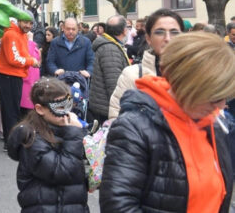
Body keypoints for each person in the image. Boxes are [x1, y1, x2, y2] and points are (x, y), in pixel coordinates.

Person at [100, 32, 235, 212]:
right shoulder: (135, 128)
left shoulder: (213, 123)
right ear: (189, 86)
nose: (221, 105)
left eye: (224, 97)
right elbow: (119, 206)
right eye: (214, 96)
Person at [7, 78, 89, 213]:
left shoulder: (64, 129)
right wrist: (75, 133)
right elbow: (61, 171)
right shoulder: (31, 139)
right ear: (40, 109)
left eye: (68, 105)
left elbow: (75, 167)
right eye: (59, 107)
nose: (66, 112)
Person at [108, 9, 184, 119]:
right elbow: (116, 119)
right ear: (148, 38)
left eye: (174, 32)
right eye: (160, 32)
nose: (167, 38)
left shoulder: (196, 74)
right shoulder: (132, 75)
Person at [0, 12, 40, 150]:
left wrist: (29, 60)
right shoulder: (12, 34)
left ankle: (11, 142)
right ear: (19, 20)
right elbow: (14, 59)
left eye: (31, 23)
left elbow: (22, 54)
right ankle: (11, 144)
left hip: (14, 75)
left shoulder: (21, 34)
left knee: (12, 110)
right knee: (10, 111)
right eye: (26, 22)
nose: (28, 25)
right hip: (9, 76)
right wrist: (31, 61)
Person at [89, 15, 130, 124]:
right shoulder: (110, 49)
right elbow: (114, 84)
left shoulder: (110, 45)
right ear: (124, 31)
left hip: (104, 105)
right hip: (107, 109)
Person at [19, 35, 41, 117]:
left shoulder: (33, 45)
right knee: (26, 107)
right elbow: (28, 56)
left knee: (30, 106)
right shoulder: (28, 44)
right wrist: (30, 41)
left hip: (32, 79)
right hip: (27, 79)